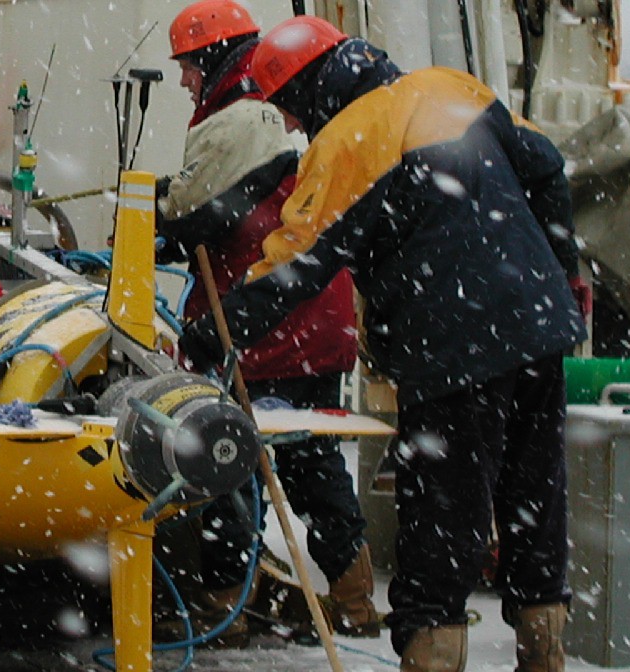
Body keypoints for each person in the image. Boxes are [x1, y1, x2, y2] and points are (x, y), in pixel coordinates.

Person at [179, 15, 588, 672]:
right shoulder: (451, 88)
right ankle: (545, 652)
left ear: (309, 89)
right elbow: (546, 167)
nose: (290, 126)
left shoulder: (349, 141)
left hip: (453, 343)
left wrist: (209, 334)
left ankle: (432, 653)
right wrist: (563, 271)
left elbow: (294, 266)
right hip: (539, 325)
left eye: (287, 107)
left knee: (442, 517)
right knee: (532, 498)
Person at [153, 0, 377, 646]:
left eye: (187, 67)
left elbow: (195, 215)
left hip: (266, 324)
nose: (183, 80)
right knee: (312, 462)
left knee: (225, 463)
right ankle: (354, 598)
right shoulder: (275, 111)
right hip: (315, 318)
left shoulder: (240, 119)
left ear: (211, 57)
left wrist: (149, 211)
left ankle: (229, 605)